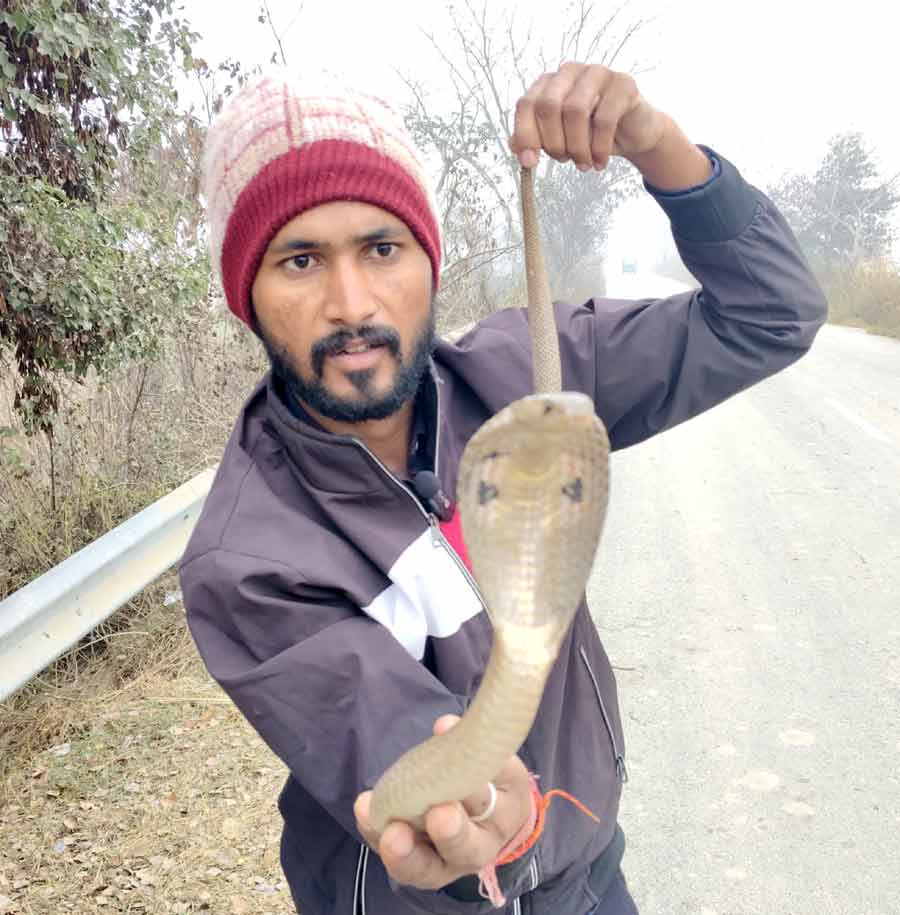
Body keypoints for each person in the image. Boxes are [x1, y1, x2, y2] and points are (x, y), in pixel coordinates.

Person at [179, 61, 827, 915]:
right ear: (248, 296)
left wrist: (658, 146)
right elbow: (384, 729)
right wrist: (474, 805)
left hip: (589, 882)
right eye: (301, 260)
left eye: (382, 248)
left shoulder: (532, 370)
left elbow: (773, 314)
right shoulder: (247, 556)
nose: (351, 301)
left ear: (427, 259)